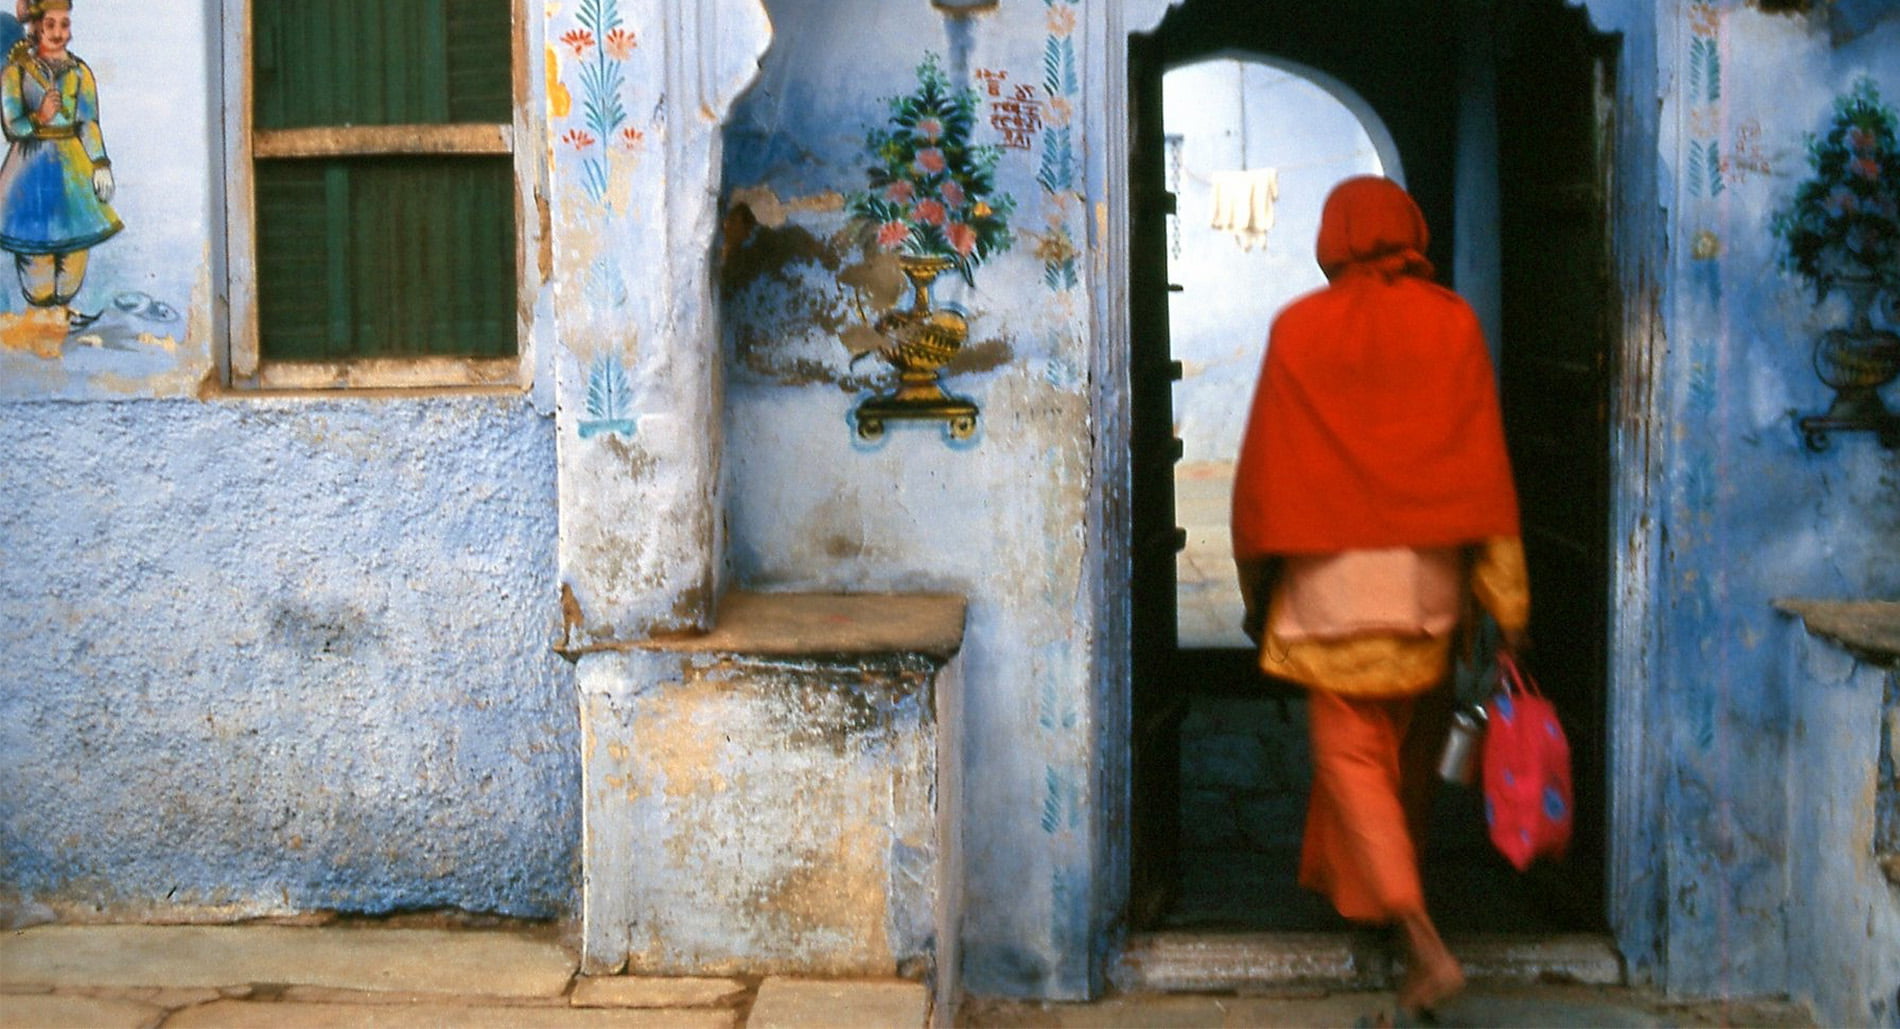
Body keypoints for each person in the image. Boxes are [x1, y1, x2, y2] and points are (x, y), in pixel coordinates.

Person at [1230, 175, 1529, 1019]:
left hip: (1330, 588)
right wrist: (1508, 603)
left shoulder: (1298, 327)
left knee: (1353, 761)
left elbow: (1261, 475)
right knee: (1404, 756)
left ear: (1331, 235)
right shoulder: (1454, 321)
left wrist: (1258, 591)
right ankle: (1379, 912)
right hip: (1429, 590)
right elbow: (1483, 471)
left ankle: (1420, 939)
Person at [0, 0, 118, 328]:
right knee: (35, 261)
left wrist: (100, 163)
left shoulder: (79, 72)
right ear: (36, 27)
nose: (57, 33)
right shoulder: (17, 71)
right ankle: (40, 319)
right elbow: (12, 125)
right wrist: (40, 117)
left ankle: (63, 313)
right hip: (29, 170)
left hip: (73, 170)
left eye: (64, 25)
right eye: (50, 25)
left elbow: (88, 122)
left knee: (74, 257)